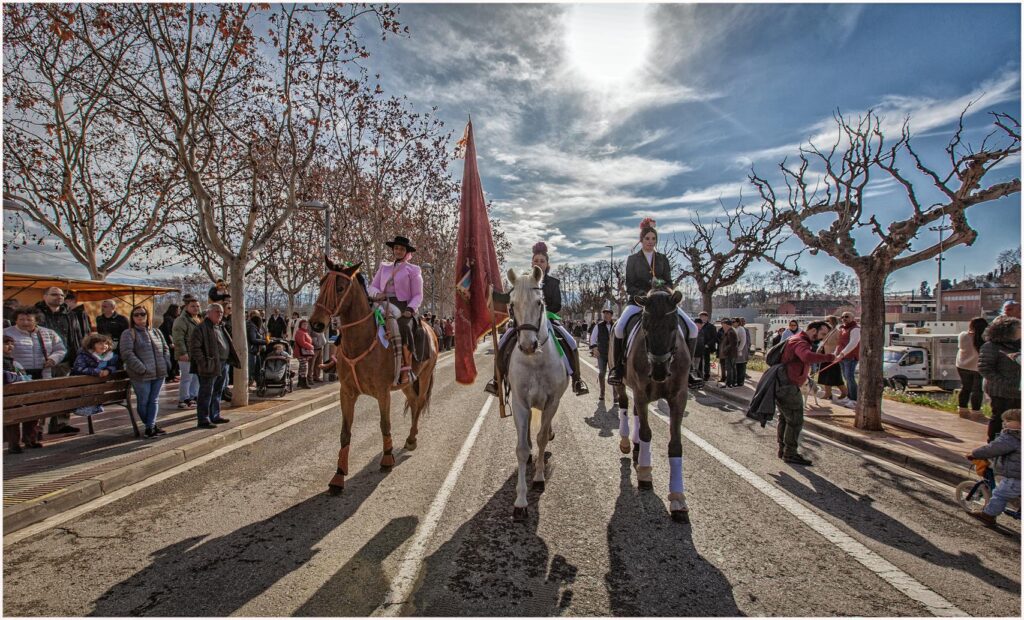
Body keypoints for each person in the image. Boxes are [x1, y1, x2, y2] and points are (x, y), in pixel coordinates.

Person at [485, 241, 589, 396]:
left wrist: (541, 310)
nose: (539, 263)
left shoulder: (553, 283)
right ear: (531, 262)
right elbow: (508, 297)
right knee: (502, 342)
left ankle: (577, 380)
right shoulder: (523, 281)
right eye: (536, 260)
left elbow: (557, 304)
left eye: (542, 261)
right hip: (524, 322)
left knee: (571, 342)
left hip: (548, 320)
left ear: (547, 264)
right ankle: (496, 380)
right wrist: (492, 293)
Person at [608, 218, 698, 386]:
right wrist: (645, 295)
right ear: (641, 240)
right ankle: (617, 369)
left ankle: (690, 369)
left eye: (653, 239)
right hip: (640, 302)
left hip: (663, 301)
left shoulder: (662, 259)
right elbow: (630, 285)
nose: (650, 241)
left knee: (692, 328)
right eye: (647, 238)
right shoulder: (633, 259)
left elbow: (669, 282)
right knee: (619, 328)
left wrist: (664, 289)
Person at [776, 320, 836, 465]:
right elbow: (806, 357)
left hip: (784, 384)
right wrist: (829, 357)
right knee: (795, 420)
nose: (822, 338)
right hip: (788, 386)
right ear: (813, 330)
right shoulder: (800, 341)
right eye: (822, 334)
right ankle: (790, 453)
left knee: (785, 418)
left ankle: (783, 450)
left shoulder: (796, 339)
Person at [367, 235, 425, 386]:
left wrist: (411, 308)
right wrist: (377, 294)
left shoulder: (413, 270)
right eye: (396, 248)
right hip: (381, 301)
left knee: (404, 327)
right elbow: (372, 286)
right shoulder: (384, 267)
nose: (398, 251)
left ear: (407, 252)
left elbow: (418, 295)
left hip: (402, 305)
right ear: (393, 250)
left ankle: (406, 367)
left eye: (402, 249)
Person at [34, 287, 84, 434]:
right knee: (41, 395)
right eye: (54, 294)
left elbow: (76, 335)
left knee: (63, 393)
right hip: (42, 361)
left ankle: (60, 424)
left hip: (64, 360)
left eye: (61, 295)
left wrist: (77, 356)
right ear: (44, 296)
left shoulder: (70, 314)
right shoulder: (36, 313)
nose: (59, 297)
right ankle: (37, 428)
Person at [120, 306, 171, 438]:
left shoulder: (156, 332)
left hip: (159, 372)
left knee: (154, 400)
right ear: (132, 317)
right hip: (141, 375)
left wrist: (166, 363)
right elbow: (127, 353)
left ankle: (150, 426)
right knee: (143, 401)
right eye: (136, 314)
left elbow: (165, 348)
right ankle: (150, 425)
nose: (139, 317)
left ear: (147, 315)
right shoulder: (128, 333)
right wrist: (141, 368)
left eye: (142, 314)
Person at [964, 409, 1020, 526]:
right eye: (1004, 421)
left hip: (1016, 476)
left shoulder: (1012, 437)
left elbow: (993, 449)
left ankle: (988, 515)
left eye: (1009, 420)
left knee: (1000, 494)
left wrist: (974, 454)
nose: (1005, 423)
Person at [189, 303, 239, 428]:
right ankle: (203, 419)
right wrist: (204, 363)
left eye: (221, 312)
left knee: (218, 391)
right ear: (209, 313)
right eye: (217, 311)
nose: (220, 314)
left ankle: (215, 415)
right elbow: (195, 348)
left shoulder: (221, 327)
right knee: (206, 392)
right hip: (210, 365)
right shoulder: (201, 328)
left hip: (223, 363)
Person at [979, 316, 1021, 442]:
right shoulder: (991, 346)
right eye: (1019, 327)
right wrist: (1004, 382)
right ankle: (994, 443)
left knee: (1017, 419)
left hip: (1018, 390)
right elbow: (985, 369)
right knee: (1000, 417)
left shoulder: (1019, 346)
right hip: (1000, 391)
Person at [3, 307, 67, 381]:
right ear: (16, 320)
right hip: (18, 373)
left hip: (45, 373)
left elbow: (60, 349)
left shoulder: (49, 333)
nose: (25, 322)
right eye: (21, 319)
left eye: (29, 320)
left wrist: (53, 359)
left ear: (37, 321)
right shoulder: (5, 332)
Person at [3, 334, 40, 453]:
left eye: (11, 344)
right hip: (7, 399)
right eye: (6, 344)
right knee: (13, 412)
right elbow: (6, 377)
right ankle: (14, 444)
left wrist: (20, 377)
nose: (10, 346)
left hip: (17, 396)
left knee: (32, 407)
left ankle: (29, 439)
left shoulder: (13, 362)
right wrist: (19, 377)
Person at [72, 333, 121, 416]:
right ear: (92, 345)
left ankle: (96, 405)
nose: (104, 346)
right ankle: (86, 407)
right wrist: (96, 371)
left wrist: (108, 370)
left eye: (106, 343)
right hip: (83, 385)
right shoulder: (84, 355)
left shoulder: (110, 356)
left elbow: (114, 366)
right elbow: (78, 368)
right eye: (100, 343)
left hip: (98, 387)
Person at [172, 296, 202, 409]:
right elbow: (178, 338)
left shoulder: (198, 319)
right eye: (193, 306)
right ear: (186, 307)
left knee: (195, 377)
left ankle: (193, 396)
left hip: (196, 354)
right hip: (186, 354)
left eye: (197, 306)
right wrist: (183, 352)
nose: (196, 308)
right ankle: (183, 398)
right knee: (186, 377)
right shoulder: (181, 320)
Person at [956, 317, 990, 419]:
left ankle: (962, 410)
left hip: (962, 365)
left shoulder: (963, 335)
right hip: (977, 367)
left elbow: (961, 346)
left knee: (965, 388)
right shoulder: (986, 339)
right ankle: (976, 412)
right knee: (977, 390)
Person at [815, 315, 846, 402]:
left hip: (833, 356)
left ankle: (844, 392)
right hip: (825, 356)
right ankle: (827, 393)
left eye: (828, 321)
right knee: (824, 375)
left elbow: (840, 344)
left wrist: (838, 354)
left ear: (833, 322)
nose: (826, 323)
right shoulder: (827, 332)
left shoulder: (837, 331)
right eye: (825, 321)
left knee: (835, 376)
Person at [834, 312, 861, 409]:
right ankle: (849, 397)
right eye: (842, 317)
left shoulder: (855, 329)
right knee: (846, 377)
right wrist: (835, 354)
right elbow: (839, 343)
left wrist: (842, 353)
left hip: (851, 357)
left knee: (850, 377)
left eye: (847, 316)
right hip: (842, 357)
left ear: (852, 318)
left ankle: (855, 400)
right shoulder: (842, 329)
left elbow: (853, 343)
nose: (844, 318)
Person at [589, 308, 615, 401]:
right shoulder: (598, 326)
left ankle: (615, 395)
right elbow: (592, 338)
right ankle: (602, 393)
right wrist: (594, 348)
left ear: (611, 315)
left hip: (613, 354)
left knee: (614, 374)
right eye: (604, 314)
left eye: (608, 314)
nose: (605, 315)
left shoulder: (616, 325)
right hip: (602, 353)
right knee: (602, 373)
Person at [160, 304, 181, 383]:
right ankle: (170, 377)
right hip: (169, 342)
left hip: (171, 341)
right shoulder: (168, 319)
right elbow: (168, 331)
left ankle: (173, 375)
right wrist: (171, 342)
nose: (179, 311)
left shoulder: (173, 318)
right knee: (172, 359)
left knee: (174, 359)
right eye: (178, 310)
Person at [246, 310, 268, 386]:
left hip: (257, 350)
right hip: (252, 350)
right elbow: (253, 339)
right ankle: (250, 384)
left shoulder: (256, 324)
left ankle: (258, 383)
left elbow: (263, 333)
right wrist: (265, 342)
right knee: (252, 370)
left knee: (258, 368)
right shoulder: (251, 325)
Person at [294, 319, 315, 389]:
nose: (305, 325)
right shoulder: (300, 332)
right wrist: (311, 346)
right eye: (304, 324)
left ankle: (300, 382)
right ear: (300, 325)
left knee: (302, 367)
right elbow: (302, 343)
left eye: (306, 324)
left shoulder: (304, 332)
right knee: (304, 367)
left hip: (303, 352)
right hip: (301, 353)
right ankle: (303, 383)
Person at [697, 311, 717, 382]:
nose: (702, 318)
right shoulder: (697, 325)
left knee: (706, 362)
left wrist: (708, 345)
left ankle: (706, 375)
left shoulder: (711, 326)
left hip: (707, 347)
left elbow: (714, 337)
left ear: (707, 317)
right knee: (699, 362)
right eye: (700, 317)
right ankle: (699, 375)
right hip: (699, 347)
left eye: (703, 317)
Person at [717, 318, 738, 388]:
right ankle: (733, 382)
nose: (722, 327)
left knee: (730, 369)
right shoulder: (729, 331)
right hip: (731, 353)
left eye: (723, 325)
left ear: (727, 325)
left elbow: (732, 344)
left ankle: (729, 383)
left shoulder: (730, 332)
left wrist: (725, 350)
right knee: (732, 368)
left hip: (729, 353)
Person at [735, 317, 751, 386]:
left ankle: (741, 381)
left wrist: (748, 349)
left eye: (744, 321)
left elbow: (748, 341)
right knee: (737, 365)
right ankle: (737, 380)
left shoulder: (745, 330)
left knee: (742, 365)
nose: (743, 322)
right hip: (737, 350)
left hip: (744, 350)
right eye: (742, 321)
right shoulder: (736, 329)